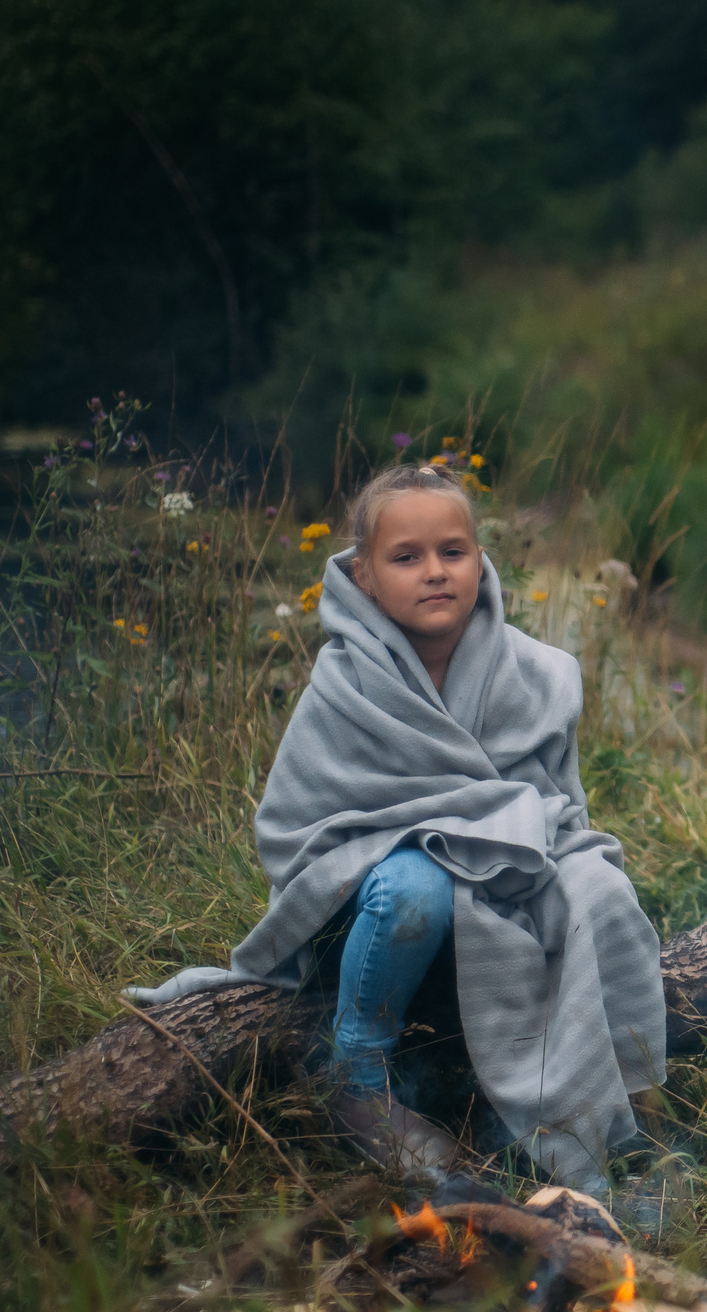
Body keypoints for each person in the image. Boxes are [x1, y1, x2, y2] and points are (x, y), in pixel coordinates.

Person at [129, 463, 666, 1185]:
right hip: (375, 899)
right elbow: (296, 826)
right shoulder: (345, 685)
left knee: (599, 884)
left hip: (506, 862)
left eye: (453, 551)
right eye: (406, 557)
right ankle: (356, 1073)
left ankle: (624, 1097)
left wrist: (528, 848)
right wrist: (421, 842)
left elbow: (559, 804)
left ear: (480, 558)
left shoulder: (536, 673)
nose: (435, 571)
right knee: (415, 885)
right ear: (365, 576)